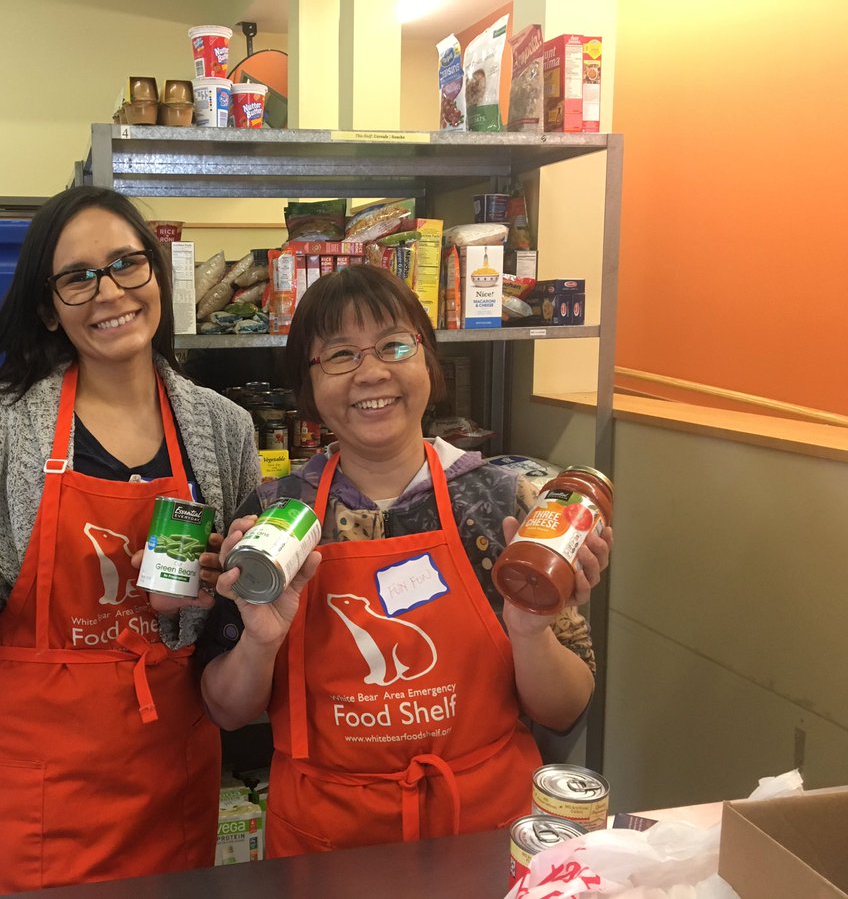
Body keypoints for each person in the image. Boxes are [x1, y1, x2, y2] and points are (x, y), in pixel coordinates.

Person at [0, 186, 260, 892]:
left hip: (172, 754)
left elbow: (234, 620)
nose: (108, 291)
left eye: (125, 264)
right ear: (49, 306)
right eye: (78, 276)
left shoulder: (222, 428)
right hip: (42, 774)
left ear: (155, 275)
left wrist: (213, 594)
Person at [197, 264, 612, 857]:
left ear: (428, 361)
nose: (371, 372)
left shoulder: (506, 504)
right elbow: (225, 710)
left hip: (484, 834)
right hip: (329, 844)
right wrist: (259, 642)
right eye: (339, 355)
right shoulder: (275, 516)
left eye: (394, 345)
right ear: (308, 385)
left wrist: (530, 632)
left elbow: (565, 710)